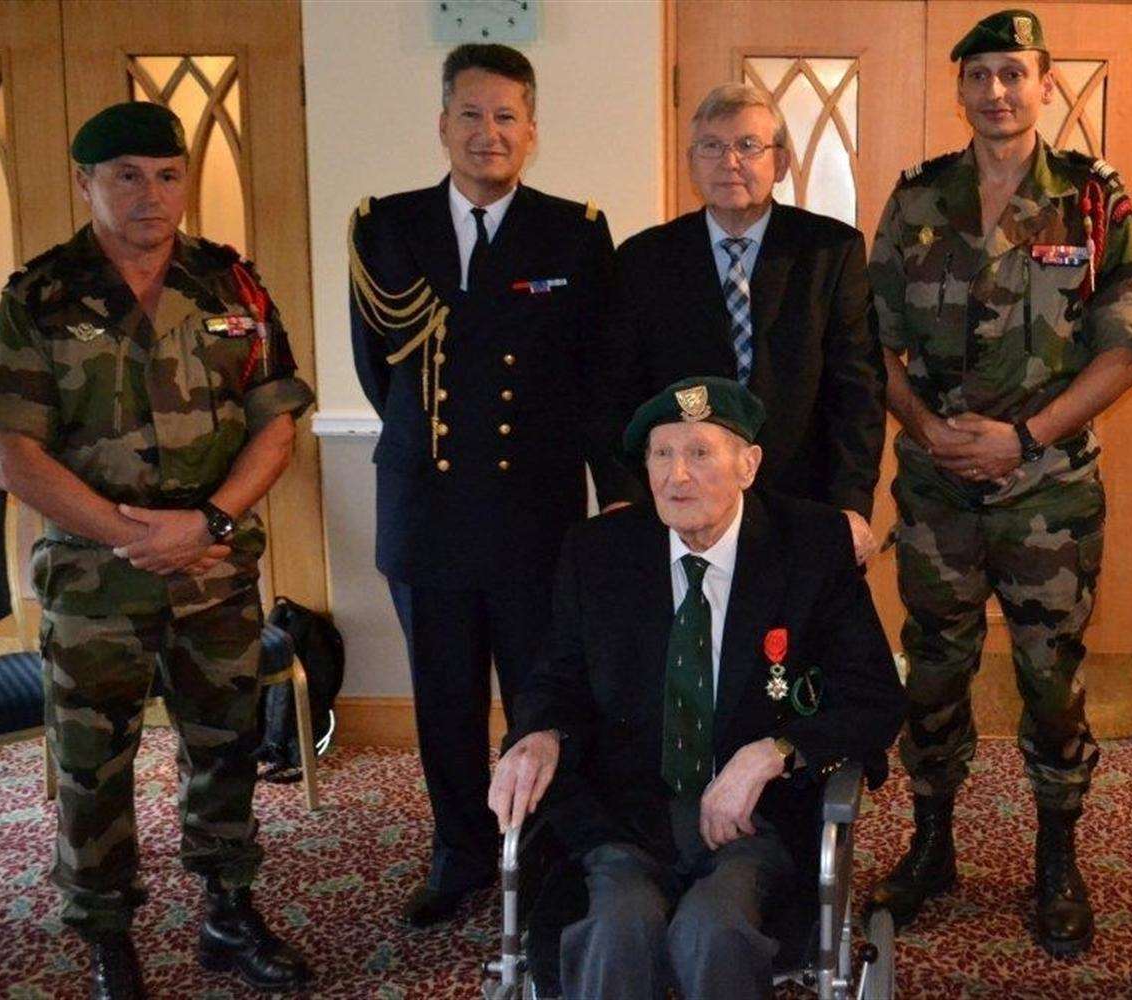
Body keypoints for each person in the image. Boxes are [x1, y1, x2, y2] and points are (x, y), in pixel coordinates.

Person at [0, 102, 315, 999]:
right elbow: (16, 458)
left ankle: (227, 913)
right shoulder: (40, 297)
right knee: (91, 765)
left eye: (166, 174)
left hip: (214, 572)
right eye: (125, 175)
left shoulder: (231, 286)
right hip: (96, 583)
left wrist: (206, 526)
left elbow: (278, 422)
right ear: (85, 183)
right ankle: (106, 936)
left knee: (226, 747)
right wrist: (136, 535)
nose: (151, 194)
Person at [864, 8, 1132, 955]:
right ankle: (932, 842)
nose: (997, 91)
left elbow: (1128, 353)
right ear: (961, 89)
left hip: (1047, 495)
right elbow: (877, 345)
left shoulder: (1093, 203)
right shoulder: (916, 202)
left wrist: (1021, 438)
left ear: (1043, 86)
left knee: (1052, 681)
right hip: (938, 491)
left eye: (1014, 74)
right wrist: (931, 433)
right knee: (935, 672)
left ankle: (1056, 857)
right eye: (980, 74)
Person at [488, 377, 905, 1000]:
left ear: (748, 464)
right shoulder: (598, 555)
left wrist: (775, 751)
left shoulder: (811, 548)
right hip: (626, 817)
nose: (677, 476)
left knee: (713, 933)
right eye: (662, 455)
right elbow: (557, 678)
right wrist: (539, 732)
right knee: (616, 929)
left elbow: (873, 698)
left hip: (753, 825)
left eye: (701, 453)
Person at [348, 43, 629, 928]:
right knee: (444, 699)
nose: (488, 132)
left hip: (531, 511)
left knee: (540, 694)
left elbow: (595, 379)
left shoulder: (576, 231)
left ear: (532, 131)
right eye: (470, 114)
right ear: (442, 125)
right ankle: (460, 850)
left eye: (507, 116)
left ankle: (542, 850)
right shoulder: (384, 225)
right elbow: (378, 371)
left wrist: (613, 491)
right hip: (426, 510)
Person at [609, 84, 886, 563]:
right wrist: (625, 493)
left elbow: (857, 389)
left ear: (779, 162)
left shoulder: (830, 251)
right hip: (681, 500)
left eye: (747, 146)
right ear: (692, 163)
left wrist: (851, 504)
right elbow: (615, 390)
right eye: (711, 147)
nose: (729, 161)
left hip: (803, 498)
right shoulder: (644, 259)